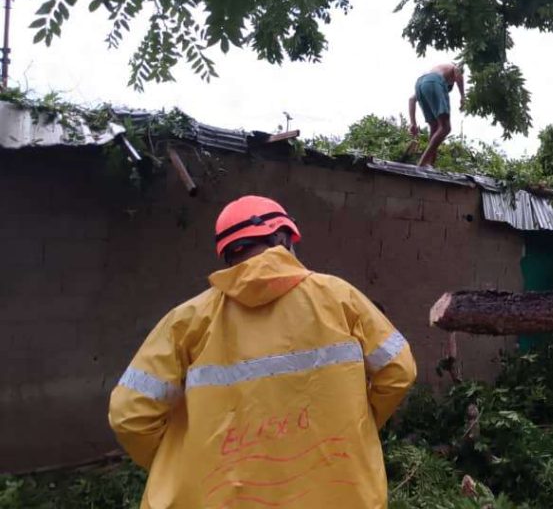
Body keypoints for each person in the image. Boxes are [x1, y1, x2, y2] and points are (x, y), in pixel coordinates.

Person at [108, 195, 417, 509]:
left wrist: (181, 461)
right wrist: (358, 426)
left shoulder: (187, 321)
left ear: (228, 255)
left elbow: (129, 415)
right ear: (283, 238)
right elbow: (400, 371)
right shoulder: (340, 299)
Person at [408, 61, 466, 168]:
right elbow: (458, 71)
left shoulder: (434, 73)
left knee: (435, 128)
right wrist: (463, 97)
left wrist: (413, 123)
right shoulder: (454, 67)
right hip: (434, 82)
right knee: (445, 127)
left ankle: (429, 164)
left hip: (420, 84)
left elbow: (412, 99)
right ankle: (422, 164)